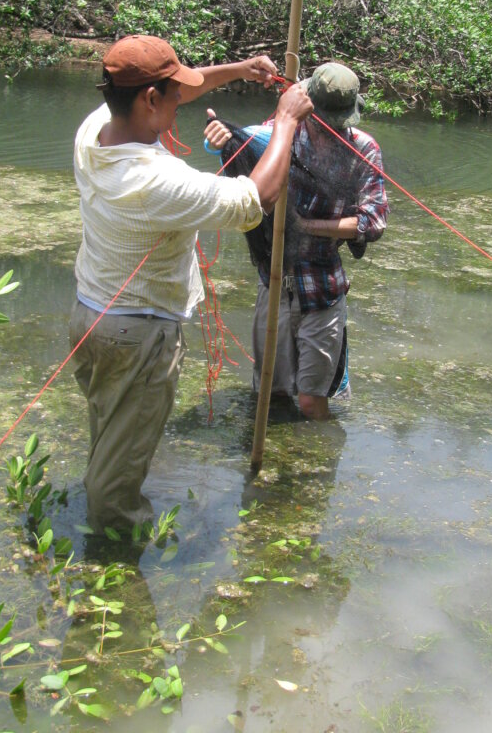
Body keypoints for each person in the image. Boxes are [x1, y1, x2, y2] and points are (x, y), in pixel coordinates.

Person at [68, 34, 313, 533]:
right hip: (136, 336)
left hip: (91, 317)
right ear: (150, 100)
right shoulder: (152, 180)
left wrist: (242, 68)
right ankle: (113, 566)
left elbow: (176, 88)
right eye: (173, 93)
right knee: (118, 474)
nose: (184, 98)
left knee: (110, 438)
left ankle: (101, 522)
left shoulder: (97, 128)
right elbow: (254, 199)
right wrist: (286, 120)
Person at [204, 62, 389, 420]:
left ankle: (319, 463)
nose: (328, 129)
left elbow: (373, 220)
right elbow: (246, 145)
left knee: (311, 400)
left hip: (322, 288)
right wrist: (218, 139)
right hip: (273, 282)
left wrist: (307, 225)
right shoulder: (281, 133)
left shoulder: (363, 150)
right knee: (270, 395)